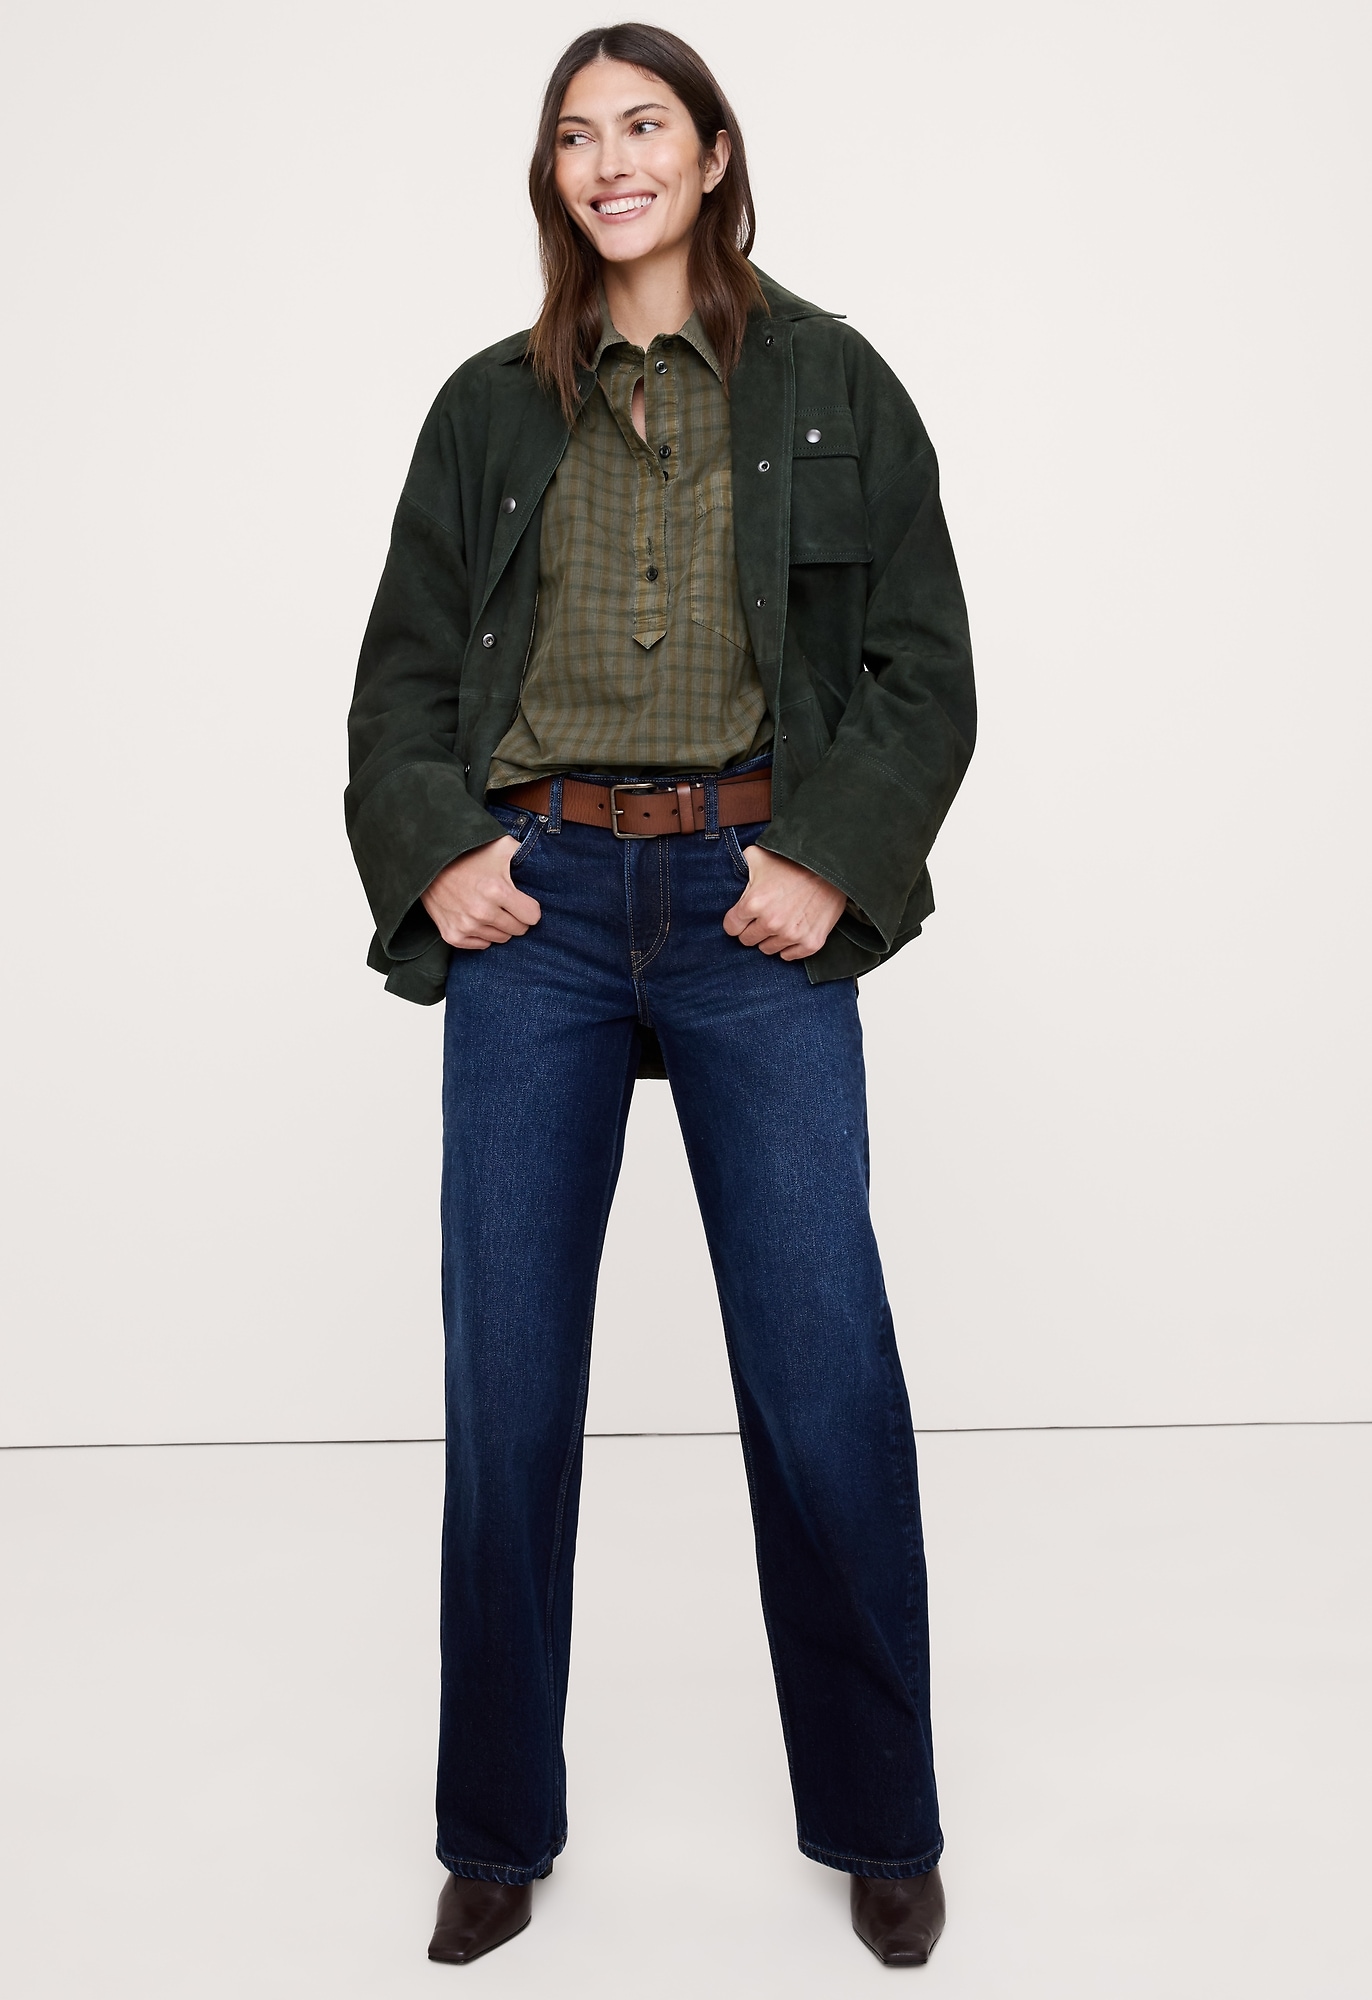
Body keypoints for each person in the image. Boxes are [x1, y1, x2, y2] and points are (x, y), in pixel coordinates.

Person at [345, 21, 975, 1970]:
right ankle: (493, 1830)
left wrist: (825, 859)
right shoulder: (487, 407)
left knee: (821, 1369)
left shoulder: (833, 383)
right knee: (508, 1380)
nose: (609, 160)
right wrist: (440, 847)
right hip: (535, 913)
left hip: (745, 905)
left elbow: (925, 666)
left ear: (711, 155)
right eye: (574, 135)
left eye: (644, 126)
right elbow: (401, 675)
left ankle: (880, 1820)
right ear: (552, 176)